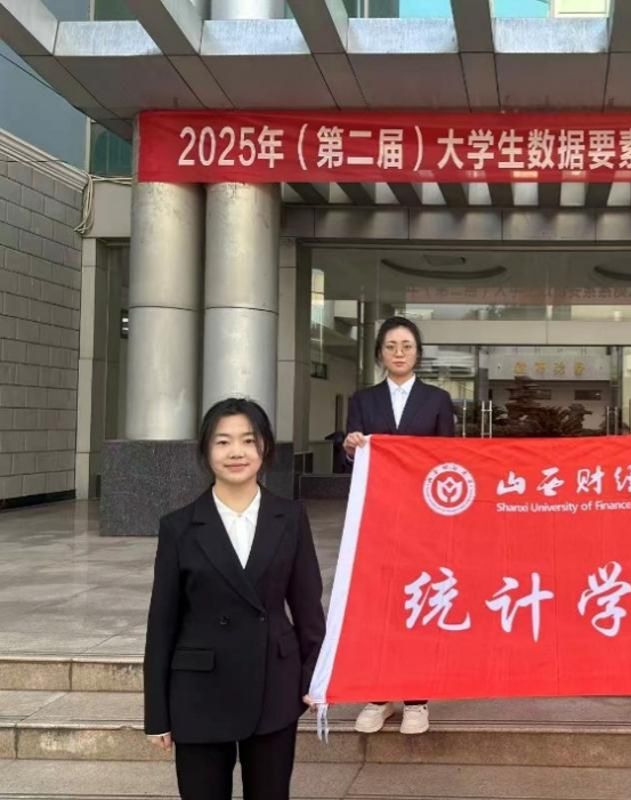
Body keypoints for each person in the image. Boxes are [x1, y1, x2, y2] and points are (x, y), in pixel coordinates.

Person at [143, 398, 325, 800]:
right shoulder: (179, 526)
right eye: (223, 442)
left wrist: (316, 675)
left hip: (274, 684)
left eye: (248, 440)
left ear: (265, 448)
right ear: (206, 450)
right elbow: (162, 624)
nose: (236, 452)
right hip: (199, 691)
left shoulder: (290, 518)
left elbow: (308, 607)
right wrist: (157, 713)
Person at [343, 316, 455, 735]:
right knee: (379, 606)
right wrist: (351, 448)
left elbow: (448, 462)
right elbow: (351, 460)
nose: (399, 353)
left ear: (418, 353)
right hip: (377, 519)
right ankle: (379, 696)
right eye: (390, 346)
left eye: (406, 345)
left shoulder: (437, 400)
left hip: (423, 522)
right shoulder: (363, 400)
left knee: (419, 603)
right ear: (379, 354)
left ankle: (416, 700)